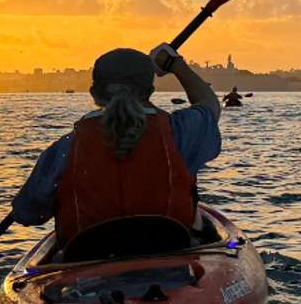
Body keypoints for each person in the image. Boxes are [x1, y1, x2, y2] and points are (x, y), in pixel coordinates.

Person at [12, 43, 223, 243]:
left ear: (94, 94)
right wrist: (175, 64)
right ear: (150, 92)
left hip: (85, 262)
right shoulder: (178, 133)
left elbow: (27, 214)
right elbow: (210, 106)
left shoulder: (65, 149)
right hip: (172, 253)